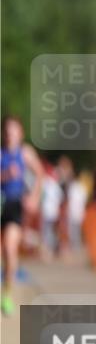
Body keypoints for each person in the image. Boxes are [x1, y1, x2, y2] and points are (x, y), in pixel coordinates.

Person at [1, 116, 44, 316]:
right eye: (7, 131)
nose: (10, 135)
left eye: (13, 131)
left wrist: (34, 197)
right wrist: (4, 175)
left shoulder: (25, 152)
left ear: (20, 134)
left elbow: (40, 173)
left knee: (10, 249)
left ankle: (7, 294)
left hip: (14, 207)